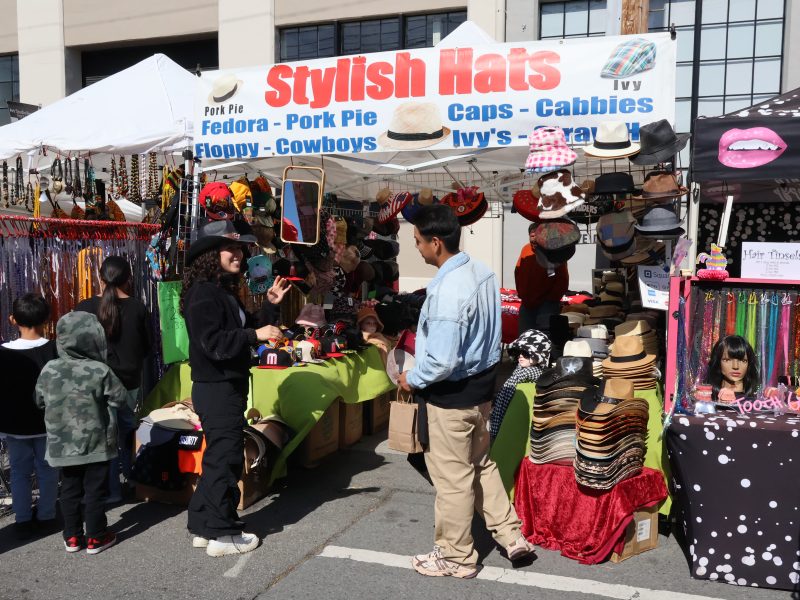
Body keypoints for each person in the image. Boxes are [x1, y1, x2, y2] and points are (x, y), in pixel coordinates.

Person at [398, 204, 536, 579]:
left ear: (436, 242)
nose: (418, 248)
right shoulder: (483, 272)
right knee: (481, 464)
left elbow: (440, 362)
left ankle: (457, 557)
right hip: (480, 389)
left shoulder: (448, 290)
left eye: (418, 242)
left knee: (453, 479)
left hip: (452, 395)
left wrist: (413, 379)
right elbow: (491, 339)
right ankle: (512, 536)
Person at [180, 219, 289, 557]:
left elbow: (246, 329)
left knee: (219, 457)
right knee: (225, 459)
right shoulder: (204, 294)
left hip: (224, 386)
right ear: (211, 254)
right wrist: (255, 336)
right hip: (217, 387)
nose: (239, 254)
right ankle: (221, 533)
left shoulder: (219, 291)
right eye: (230, 248)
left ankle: (202, 523)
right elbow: (213, 343)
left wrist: (269, 305)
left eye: (240, 248)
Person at [35, 311, 127, 554]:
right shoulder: (100, 370)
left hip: (62, 443)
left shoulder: (49, 369)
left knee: (69, 489)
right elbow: (120, 399)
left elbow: (39, 400)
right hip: (97, 442)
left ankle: (72, 537)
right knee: (95, 491)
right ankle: (96, 537)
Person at [75, 256, 151, 503]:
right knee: (127, 429)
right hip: (129, 380)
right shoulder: (138, 308)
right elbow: (148, 348)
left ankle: (111, 490)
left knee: (104, 435)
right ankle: (131, 477)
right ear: (128, 278)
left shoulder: (83, 308)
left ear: (99, 278)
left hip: (95, 383)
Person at [0, 293, 59, 539]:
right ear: (47, 319)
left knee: (19, 471)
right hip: (47, 421)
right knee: (47, 469)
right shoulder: (54, 349)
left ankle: (23, 518)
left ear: (12, 319)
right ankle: (46, 514)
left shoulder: (4, 352)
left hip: (15, 423)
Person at [489, 329, 551, 440]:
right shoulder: (521, 373)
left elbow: (503, 407)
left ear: (538, 356)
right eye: (518, 352)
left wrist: (495, 430)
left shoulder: (521, 377)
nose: (520, 356)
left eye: (526, 353)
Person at [514, 222, 569, 335]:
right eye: (531, 236)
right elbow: (518, 272)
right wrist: (522, 294)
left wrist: (550, 299)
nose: (533, 239)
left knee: (545, 338)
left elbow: (562, 279)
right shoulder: (525, 249)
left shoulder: (554, 251)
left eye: (536, 236)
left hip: (546, 305)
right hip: (527, 305)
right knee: (524, 339)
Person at [706, 335, 759, 402]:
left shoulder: (756, 401)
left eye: (743, 360)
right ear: (718, 362)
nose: (735, 366)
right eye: (727, 360)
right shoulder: (706, 399)